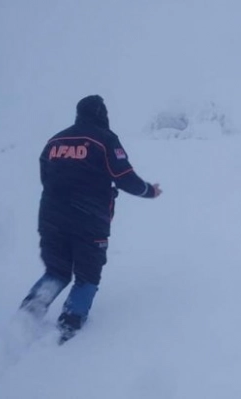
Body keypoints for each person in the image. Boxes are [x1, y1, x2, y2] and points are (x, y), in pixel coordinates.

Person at [19, 95, 162, 344]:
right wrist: (150, 191)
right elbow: (124, 176)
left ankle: (26, 318)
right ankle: (68, 328)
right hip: (89, 220)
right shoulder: (104, 138)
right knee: (87, 275)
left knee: (57, 270)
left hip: (51, 217)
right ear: (102, 114)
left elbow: (46, 176)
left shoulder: (56, 140)